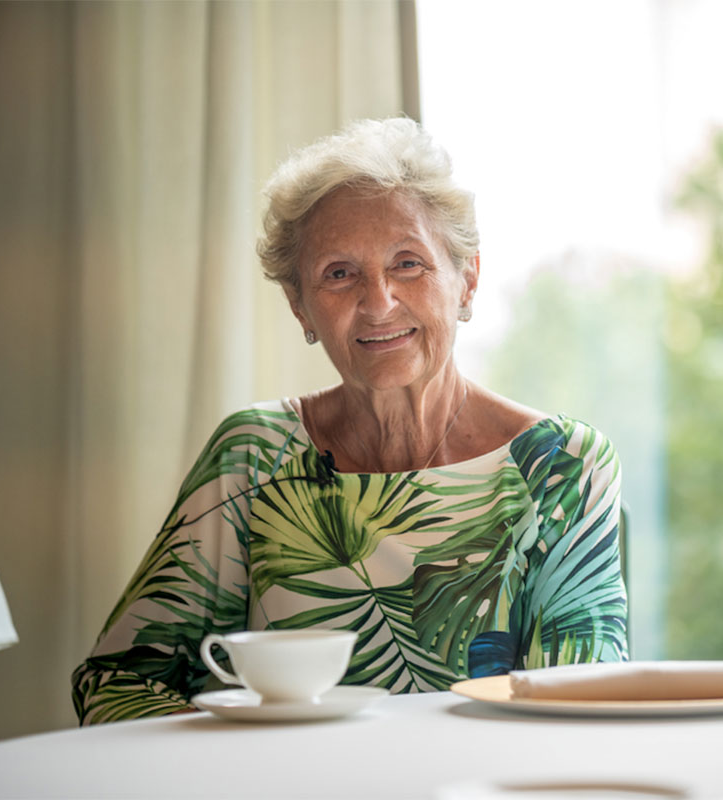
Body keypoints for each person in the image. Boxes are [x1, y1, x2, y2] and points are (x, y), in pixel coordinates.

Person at [71, 118, 628, 725]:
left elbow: (579, 698)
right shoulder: (254, 457)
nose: (378, 302)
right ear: (300, 307)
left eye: (408, 264)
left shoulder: (559, 464)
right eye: (340, 273)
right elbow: (117, 681)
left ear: (465, 282)